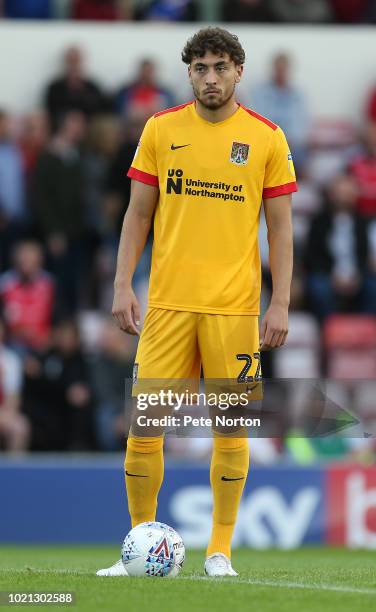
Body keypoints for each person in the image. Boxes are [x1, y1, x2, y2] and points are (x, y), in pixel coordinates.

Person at [98, 27, 296, 577]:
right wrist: (121, 284)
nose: (211, 78)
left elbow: (280, 231)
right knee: (145, 429)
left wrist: (279, 303)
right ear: (189, 73)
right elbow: (137, 214)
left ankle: (220, 553)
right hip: (167, 306)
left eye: (221, 67)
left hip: (234, 312)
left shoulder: (267, 138)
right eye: (201, 68)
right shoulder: (161, 129)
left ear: (238, 71)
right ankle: (137, 544)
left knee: (231, 431)